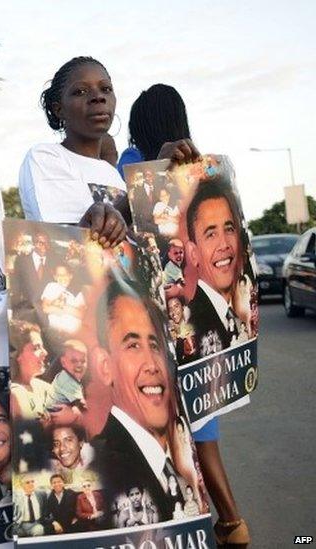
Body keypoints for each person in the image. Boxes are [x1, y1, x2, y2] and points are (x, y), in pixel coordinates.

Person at [124, 84, 248, 546]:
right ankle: (229, 523)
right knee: (193, 430)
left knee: (191, 425)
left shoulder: (161, 164)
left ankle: (223, 523)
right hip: (176, 316)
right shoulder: (147, 163)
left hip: (171, 316)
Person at [90, 276, 181, 525]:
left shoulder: (177, 459)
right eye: (132, 345)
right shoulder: (99, 471)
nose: (152, 365)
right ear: (105, 366)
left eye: (155, 345)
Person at [17, 56, 129, 247]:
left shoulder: (113, 174)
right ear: (59, 109)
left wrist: (165, 174)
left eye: (106, 89)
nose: (98, 97)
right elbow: (65, 244)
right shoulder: (46, 157)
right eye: (80, 91)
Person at [185, 175, 250, 357]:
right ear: (193, 253)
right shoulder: (189, 325)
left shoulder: (239, 312)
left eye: (229, 229)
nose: (224, 245)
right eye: (211, 234)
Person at [9, 321, 53, 422]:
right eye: (36, 348)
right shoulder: (14, 393)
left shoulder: (45, 388)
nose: (45, 353)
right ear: (17, 354)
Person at [39, 264, 85, 335]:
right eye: (59, 275)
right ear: (55, 277)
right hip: (55, 331)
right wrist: (72, 310)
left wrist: (61, 308)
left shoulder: (77, 292)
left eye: (65, 274)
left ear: (70, 276)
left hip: (74, 332)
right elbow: (45, 308)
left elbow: (82, 314)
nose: (62, 277)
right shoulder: (51, 286)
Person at [47, 340, 88, 415]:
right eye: (74, 361)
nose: (79, 365)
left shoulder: (69, 377)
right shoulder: (66, 380)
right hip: (52, 417)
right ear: (63, 362)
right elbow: (83, 406)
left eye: (83, 361)